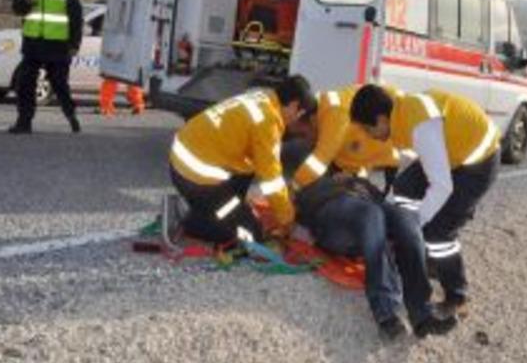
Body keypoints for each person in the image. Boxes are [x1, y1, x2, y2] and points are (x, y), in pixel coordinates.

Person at [351, 85, 501, 318]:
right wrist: (388, 210)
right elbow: (416, 165)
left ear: (381, 119)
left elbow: (441, 186)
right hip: (455, 152)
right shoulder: (401, 115)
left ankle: (457, 296)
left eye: (367, 128)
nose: (368, 135)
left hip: (478, 161)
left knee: (438, 233)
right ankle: (423, 256)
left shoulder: (419, 124)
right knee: (403, 189)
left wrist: (413, 227)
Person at [284, 148, 457, 340]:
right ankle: (386, 312)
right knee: (372, 215)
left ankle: (422, 315)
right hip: (334, 216)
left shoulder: (356, 181)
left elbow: (385, 202)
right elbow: (293, 221)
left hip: (369, 212)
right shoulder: (307, 189)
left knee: (406, 217)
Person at [164, 75, 317, 244]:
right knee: (250, 235)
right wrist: (287, 220)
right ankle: (191, 222)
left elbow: (256, 161)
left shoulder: (262, 97)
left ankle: (219, 208)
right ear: (294, 105)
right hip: (194, 177)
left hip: (185, 159)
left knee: (249, 168)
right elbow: (271, 179)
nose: (296, 119)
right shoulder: (267, 122)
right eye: (300, 113)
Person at [8, 0, 83, 134]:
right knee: (24, 83)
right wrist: (24, 2)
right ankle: (24, 123)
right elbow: (17, 9)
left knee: (59, 83)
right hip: (33, 42)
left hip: (58, 43)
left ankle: (71, 116)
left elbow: (76, 16)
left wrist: (75, 43)